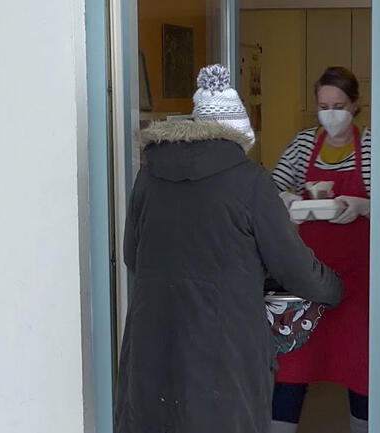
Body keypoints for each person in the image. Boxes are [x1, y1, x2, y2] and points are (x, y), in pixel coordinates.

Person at [114, 64, 343, 433]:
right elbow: (292, 267)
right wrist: (333, 287)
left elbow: (131, 255)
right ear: (238, 136)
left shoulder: (148, 175)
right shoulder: (249, 181)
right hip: (224, 357)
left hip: (152, 349)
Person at [270, 66, 371, 433]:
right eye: (324, 105)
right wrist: (284, 198)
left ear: (355, 105)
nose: (331, 113)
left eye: (339, 105)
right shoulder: (302, 145)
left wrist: (362, 206)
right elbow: (270, 188)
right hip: (306, 277)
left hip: (357, 280)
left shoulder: (371, 146)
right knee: (293, 362)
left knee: (359, 364)